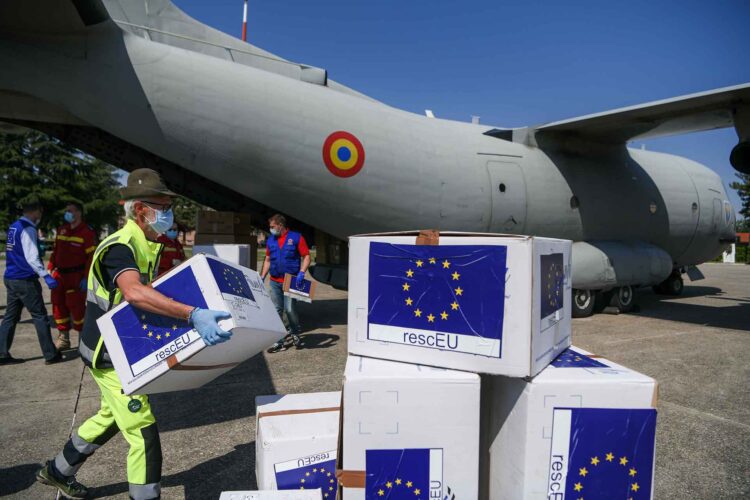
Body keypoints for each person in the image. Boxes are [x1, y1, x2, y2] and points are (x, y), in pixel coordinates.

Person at [36, 169, 233, 500]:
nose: (169, 213)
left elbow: (149, 292)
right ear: (141, 210)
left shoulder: (148, 242)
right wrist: (192, 314)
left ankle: (57, 470)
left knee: (111, 417)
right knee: (142, 431)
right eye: (163, 206)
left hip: (120, 347)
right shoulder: (122, 246)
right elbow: (134, 293)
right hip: (106, 352)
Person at [0, 200, 62, 365]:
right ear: (36, 211)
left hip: (11, 277)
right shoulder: (28, 228)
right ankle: (50, 354)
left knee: (10, 317)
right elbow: (32, 257)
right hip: (25, 279)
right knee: (40, 316)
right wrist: (46, 275)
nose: (40, 216)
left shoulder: (14, 226)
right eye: (40, 213)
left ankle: (1, 353)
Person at [48, 201, 97, 350]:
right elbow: (56, 252)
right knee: (58, 306)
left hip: (76, 277)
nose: (67, 213)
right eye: (66, 210)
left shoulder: (87, 232)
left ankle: (83, 341)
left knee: (77, 309)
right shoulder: (62, 230)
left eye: (70, 211)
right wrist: (51, 267)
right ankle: (63, 339)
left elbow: (92, 257)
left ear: (78, 213)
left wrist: (86, 277)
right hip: (59, 276)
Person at [260, 214, 310, 352]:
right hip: (275, 281)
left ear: (280, 225)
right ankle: (279, 341)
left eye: (272, 227)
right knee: (276, 310)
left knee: (289, 309)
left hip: (291, 280)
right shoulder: (271, 240)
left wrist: (302, 272)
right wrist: (263, 275)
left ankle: (294, 332)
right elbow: (268, 260)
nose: (270, 229)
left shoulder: (296, 238)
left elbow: (306, 256)